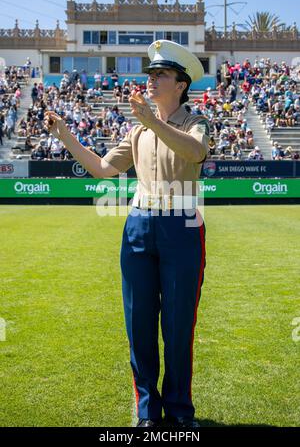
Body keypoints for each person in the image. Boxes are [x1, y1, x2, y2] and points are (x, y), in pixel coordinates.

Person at [45, 40, 209, 429]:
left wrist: (152, 122)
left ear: (181, 84)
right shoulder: (138, 129)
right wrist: (67, 136)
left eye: (161, 75)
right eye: (150, 74)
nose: (151, 81)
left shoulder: (194, 122)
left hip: (181, 226)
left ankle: (180, 413)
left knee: (177, 324)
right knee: (138, 323)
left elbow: (196, 152)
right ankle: (148, 413)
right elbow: (103, 168)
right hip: (138, 225)